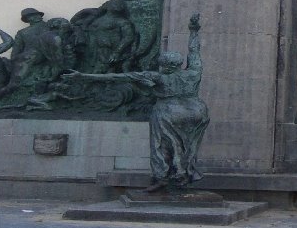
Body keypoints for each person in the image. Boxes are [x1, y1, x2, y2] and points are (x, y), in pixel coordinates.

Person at [64, 13, 209, 192]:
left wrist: (84, 76)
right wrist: (193, 31)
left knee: (159, 144)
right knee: (189, 144)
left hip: (169, 110)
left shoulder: (157, 77)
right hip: (197, 110)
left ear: (164, 65)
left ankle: (161, 177)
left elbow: (119, 76)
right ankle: (183, 174)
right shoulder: (193, 72)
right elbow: (194, 51)